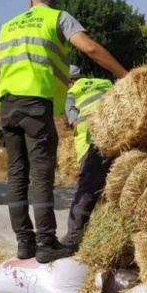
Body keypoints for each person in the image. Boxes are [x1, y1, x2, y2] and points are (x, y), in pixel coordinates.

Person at [0, 0, 128, 264]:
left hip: (7, 107)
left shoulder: (9, 25)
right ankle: (46, 243)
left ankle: (24, 243)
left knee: (17, 175)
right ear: (52, 3)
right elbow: (90, 48)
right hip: (35, 105)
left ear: (30, 3)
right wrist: (127, 75)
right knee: (42, 175)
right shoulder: (57, 18)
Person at [62, 65, 114, 249]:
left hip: (92, 143)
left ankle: (73, 239)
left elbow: (74, 122)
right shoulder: (105, 82)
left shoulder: (71, 93)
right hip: (120, 138)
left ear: (69, 81)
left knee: (86, 191)